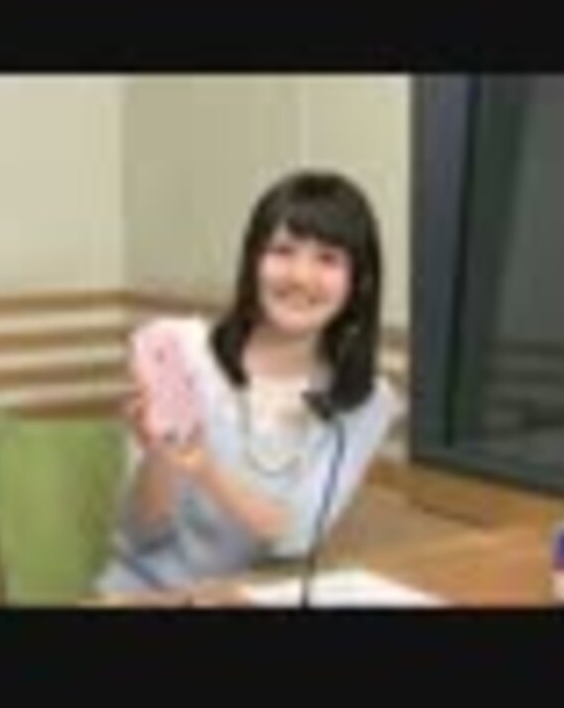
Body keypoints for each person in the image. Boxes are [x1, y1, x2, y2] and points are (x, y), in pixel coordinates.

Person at [94, 169, 402, 596]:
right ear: (253, 260)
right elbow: (139, 535)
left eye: (328, 259)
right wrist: (161, 456)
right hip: (152, 593)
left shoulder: (365, 400)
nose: (300, 276)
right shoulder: (183, 351)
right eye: (283, 251)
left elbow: (297, 537)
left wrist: (206, 470)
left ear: (359, 282)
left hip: (260, 597)